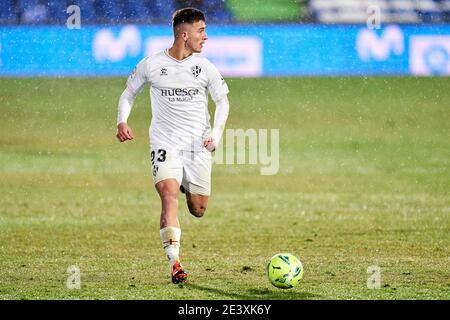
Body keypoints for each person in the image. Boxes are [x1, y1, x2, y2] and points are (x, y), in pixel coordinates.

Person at [115, 7, 229, 284]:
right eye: (201, 31)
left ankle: (180, 179)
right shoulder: (152, 64)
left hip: (197, 145)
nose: (206, 37)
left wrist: (216, 134)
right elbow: (128, 93)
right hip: (164, 141)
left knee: (198, 209)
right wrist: (122, 122)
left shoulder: (205, 67)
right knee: (168, 197)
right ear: (183, 34)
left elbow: (223, 102)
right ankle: (174, 262)